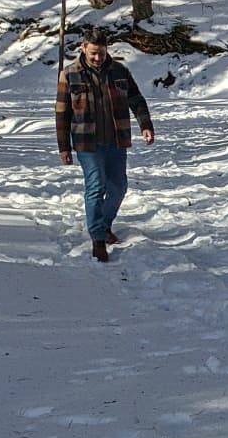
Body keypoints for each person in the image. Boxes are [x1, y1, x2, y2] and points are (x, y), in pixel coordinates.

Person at [56, 26, 155, 262]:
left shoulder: (119, 72)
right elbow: (62, 113)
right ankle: (98, 239)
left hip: (116, 141)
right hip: (86, 143)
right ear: (83, 48)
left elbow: (136, 99)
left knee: (118, 187)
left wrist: (145, 125)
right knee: (96, 185)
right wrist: (63, 147)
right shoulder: (69, 74)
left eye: (101, 53)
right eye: (93, 53)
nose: (97, 58)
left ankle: (104, 224)